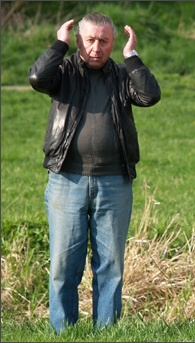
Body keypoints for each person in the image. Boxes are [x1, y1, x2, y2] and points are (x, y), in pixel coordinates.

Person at [28, 12, 161, 332]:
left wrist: (132, 57)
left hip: (114, 182)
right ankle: (63, 332)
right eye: (90, 40)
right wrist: (58, 46)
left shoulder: (121, 74)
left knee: (111, 266)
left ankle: (107, 333)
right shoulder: (64, 73)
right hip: (66, 181)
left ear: (113, 42)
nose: (97, 48)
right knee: (63, 266)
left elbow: (149, 95)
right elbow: (37, 79)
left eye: (104, 41)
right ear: (78, 41)